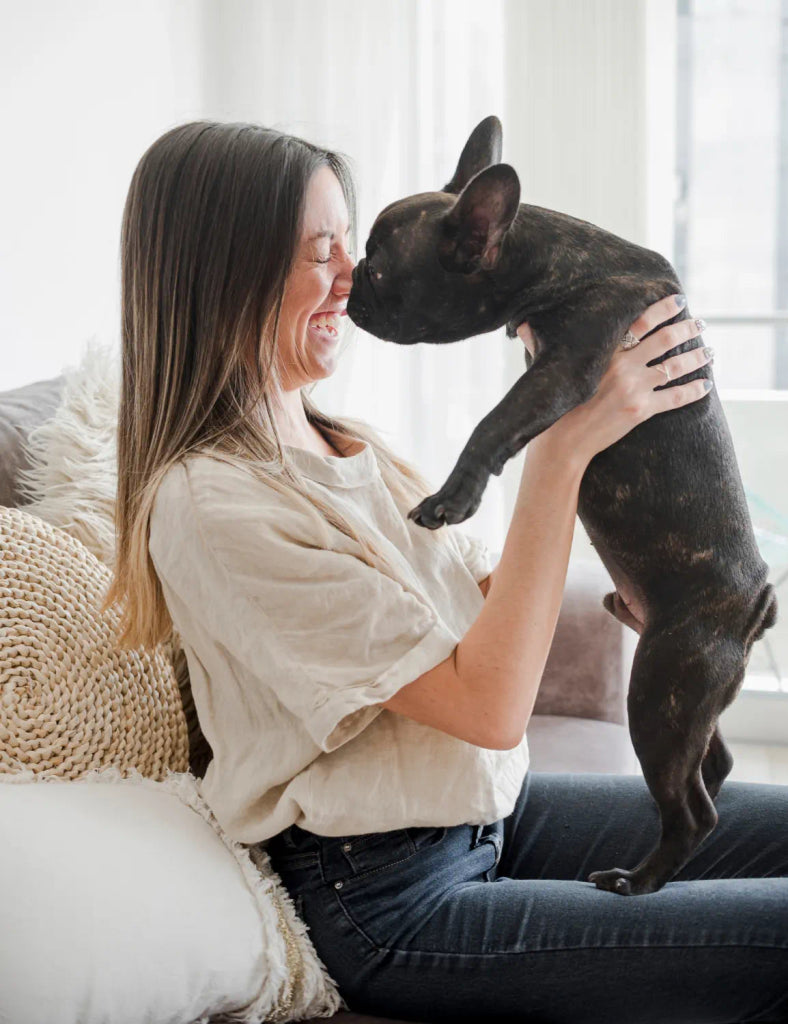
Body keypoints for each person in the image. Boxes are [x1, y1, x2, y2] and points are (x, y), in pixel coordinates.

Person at [104, 121, 788, 1023]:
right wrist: (559, 447)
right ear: (223, 273)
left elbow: (485, 609)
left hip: (485, 819)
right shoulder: (215, 508)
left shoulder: (346, 444)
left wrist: (669, 575)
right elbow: (491, 707)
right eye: (321, 253)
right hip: (389, 901)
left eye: (350, 243)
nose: (352, 277)